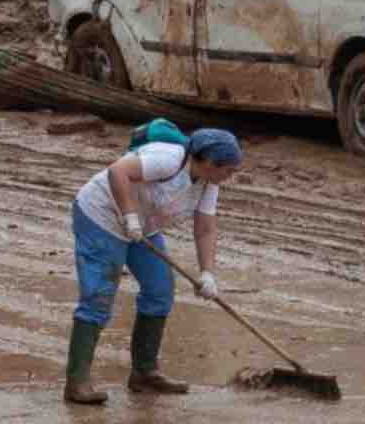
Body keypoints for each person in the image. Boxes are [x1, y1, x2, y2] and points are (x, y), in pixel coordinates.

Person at [64, 127, 243, 405]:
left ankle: (144, 373)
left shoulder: (208, 183)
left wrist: (207, 273)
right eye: (229, 170)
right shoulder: (169, 159)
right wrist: (129, 216)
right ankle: (77, 383)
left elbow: (205, 228)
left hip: (141, 229)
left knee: (160, 291)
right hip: (102, 217)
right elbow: (118, 171)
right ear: (209, 162)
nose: (231, 176)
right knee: (98, 296)